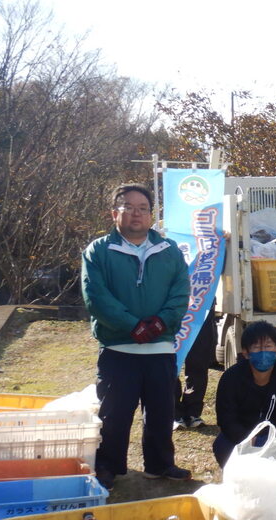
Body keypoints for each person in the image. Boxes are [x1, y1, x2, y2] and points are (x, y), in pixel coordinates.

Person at [81, 183, 191, 490]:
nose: (136, 214)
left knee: (161, 412)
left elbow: (181, 292)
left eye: (143, 208)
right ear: (114, 213)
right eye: (128, 207)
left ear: (151, 215)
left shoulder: (169, 250)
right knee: (114, 414)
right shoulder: (98, 251)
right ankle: (108, 466)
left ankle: (160, 464)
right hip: (118, 348)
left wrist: (160, 322)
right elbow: (96, 296)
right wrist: (132, 326)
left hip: (160, 348)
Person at [212, 320, 276, 467]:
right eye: (256, 347)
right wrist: (248, 439)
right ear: (246, 352)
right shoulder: (231, 378)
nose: (263, 352)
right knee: (222, 445)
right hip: (242, 436)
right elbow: (226, 419)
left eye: (268, 346)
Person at [174, 301, 217, 429]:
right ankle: (174, 414)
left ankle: (193, 412)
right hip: (174, 309)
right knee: (172, 364)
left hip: (201, 307)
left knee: (199, 363)